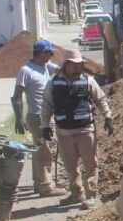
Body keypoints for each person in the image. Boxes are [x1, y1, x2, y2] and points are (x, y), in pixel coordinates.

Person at [41, 49, 113, 209]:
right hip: (64, 133)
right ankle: (76, 194)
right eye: (76, 64)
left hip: (86, 131)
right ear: (67, 65)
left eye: (81, 64)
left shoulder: (88, 81)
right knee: (70, 166)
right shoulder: (53, 83)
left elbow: (100, 99)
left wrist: (108, 117)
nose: (80, 67)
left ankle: (91, 195)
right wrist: (45, 126)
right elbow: (46, 104)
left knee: (91, 165)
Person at [12, 38, 66, 196]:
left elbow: (62, 70)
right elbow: (17, 96)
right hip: (37, 116)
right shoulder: (26, 71)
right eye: (49, 53)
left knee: (40, 149)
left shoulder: (46, 67)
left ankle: (39, 183)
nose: (51, 56)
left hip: (46, 114)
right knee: (44, 151)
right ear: (41, 53)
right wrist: (18, 118)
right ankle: (46, 187)